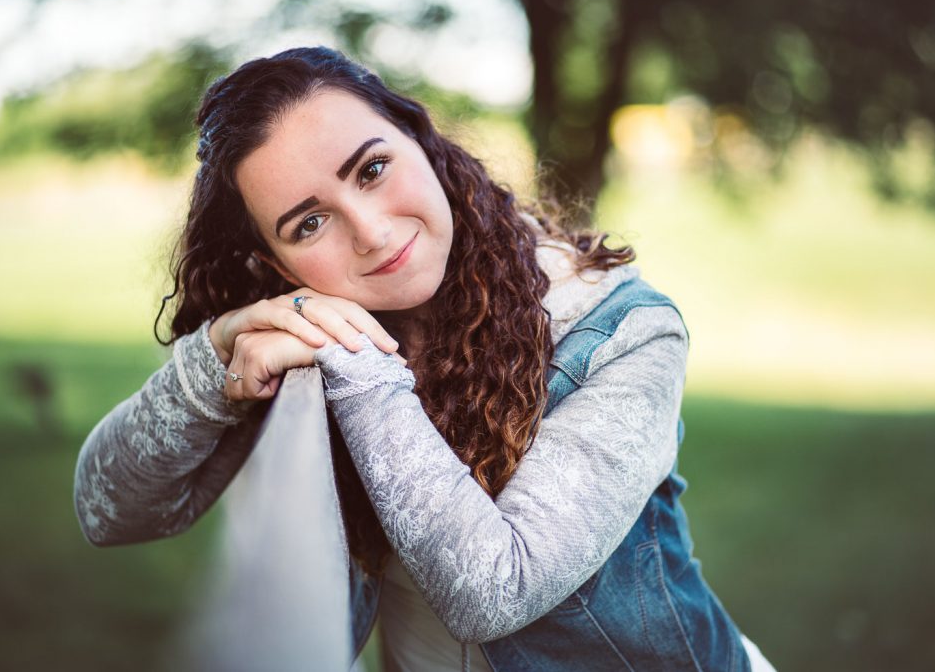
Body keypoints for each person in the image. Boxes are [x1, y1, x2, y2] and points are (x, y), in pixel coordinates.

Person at [73, 46, 775, 671]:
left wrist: (354, 357)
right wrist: (213, 359)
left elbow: (494, 590)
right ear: (273, 261)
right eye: (309, 222)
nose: (372, 233)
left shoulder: (623, 330)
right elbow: (108, 510)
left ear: (420, 138)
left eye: (373, 168)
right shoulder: (295, 328)